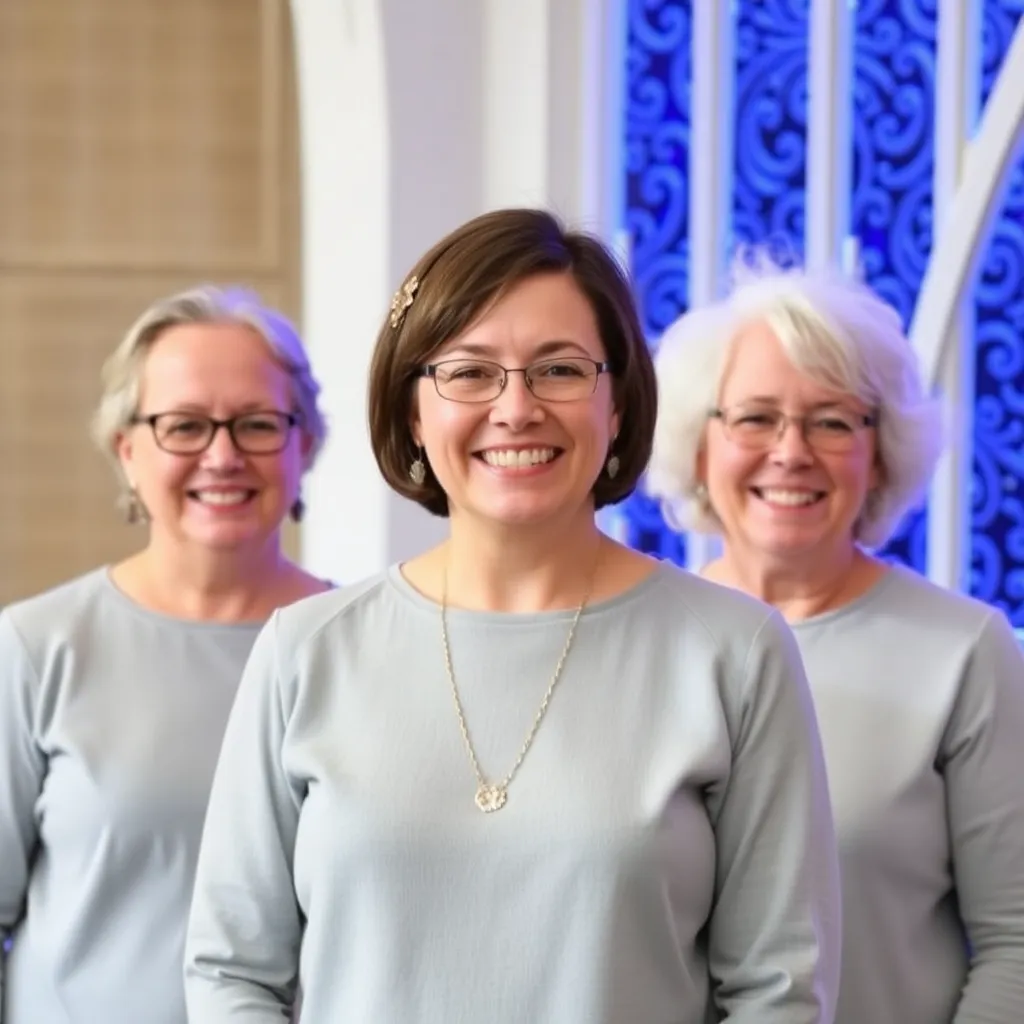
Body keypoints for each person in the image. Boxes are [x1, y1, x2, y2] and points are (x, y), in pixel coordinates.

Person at [183, 208, 841, 1024]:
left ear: (622, 407)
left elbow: (779, 988)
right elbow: (231, 971)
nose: (517, 407)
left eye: (561, 370)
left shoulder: (733, 652)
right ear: (414, 412)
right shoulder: (306, 648)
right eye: (470, 372)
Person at [647, 254, 1024, 1023]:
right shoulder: (635, 640)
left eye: (831, 420)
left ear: (879, 453)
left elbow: (1017, 942)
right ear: (699, 444)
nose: (791, 451)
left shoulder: (964, 653)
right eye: (755, 417)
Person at [0, 285, 332, 1024]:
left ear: (304, 442)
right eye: (183, 425)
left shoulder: (361, 649)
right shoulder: (35, 647)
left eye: (256, 423)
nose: (222, 455)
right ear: (128, 450)